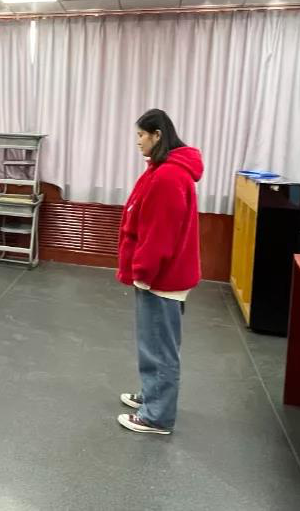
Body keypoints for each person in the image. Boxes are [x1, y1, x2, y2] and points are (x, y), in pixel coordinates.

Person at [116, 109, 203, 436]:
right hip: (161, 276)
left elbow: (159, 233)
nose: (138, 141)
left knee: (160, 347)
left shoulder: (168, 176)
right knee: (153, 342)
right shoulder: (163, 170)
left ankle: (157, 417)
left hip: (161, 278)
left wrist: (143, 271)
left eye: (141, 135)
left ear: (157, 135)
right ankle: (153, 396)